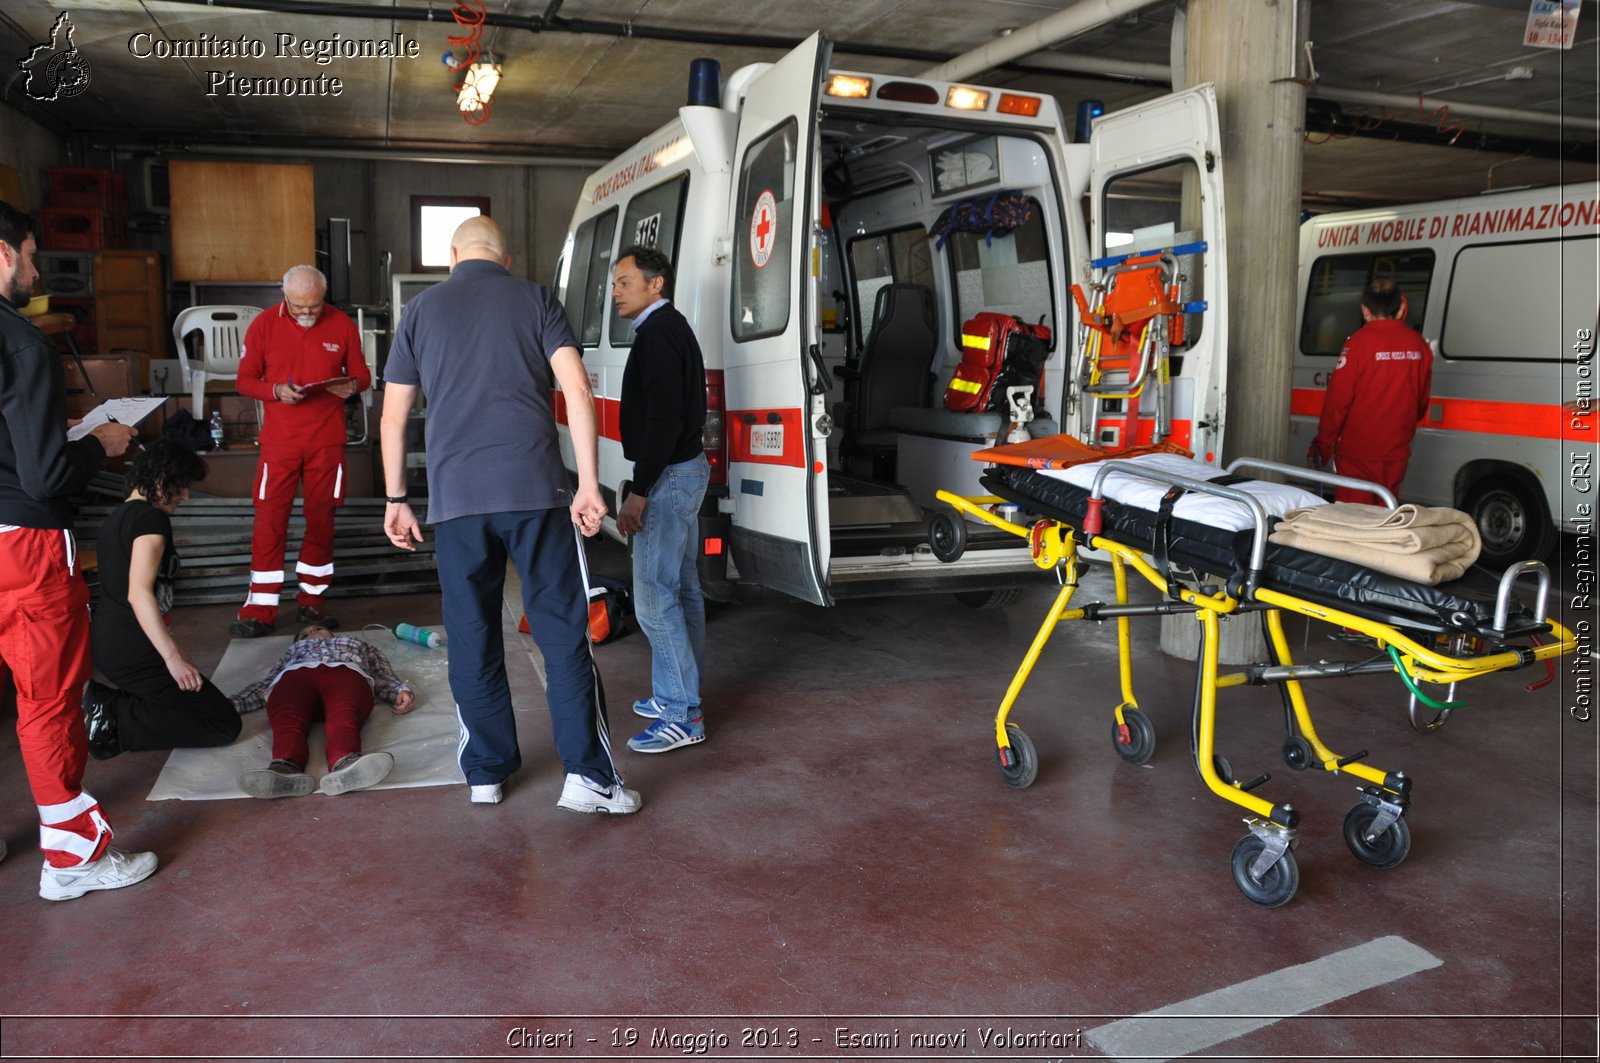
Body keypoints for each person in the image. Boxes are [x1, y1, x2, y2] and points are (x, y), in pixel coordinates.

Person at [379, 215, 639, 815]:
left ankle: (486, 774)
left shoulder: (421, 311)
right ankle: (588, 780)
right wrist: (591, 485)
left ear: (453, 256)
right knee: (561, 633)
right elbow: (577, 390)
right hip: (536, 495)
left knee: (471, 637)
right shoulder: (535, 299)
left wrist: (397, 500)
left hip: (455, 503)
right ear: (506, 255)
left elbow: (394, 417)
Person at [0, 200, 152, 901]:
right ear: (3, 253)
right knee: (48, 696)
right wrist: (98, 442)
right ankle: (73, 861)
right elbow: (46, 475)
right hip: (23, 542)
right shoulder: (20, 342)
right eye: (29, 256)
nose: (34, 270)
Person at [229, 265, 371, 637]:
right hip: (279, 444)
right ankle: (260, 608)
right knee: (269, 520)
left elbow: (363, 374)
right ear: (284, 294)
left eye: (314, 306)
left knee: (321, 520)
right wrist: (275, 391)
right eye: (298, 307)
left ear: (323, 296)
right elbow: (244, 380)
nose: (307, 313)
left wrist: (351, 385)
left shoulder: (341, 325)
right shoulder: (263, 325)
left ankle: (313, 601)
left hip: (327, 442)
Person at [83, 440, 242, 759]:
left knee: (195, 700)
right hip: (131, 646)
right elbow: (139, 594)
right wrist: (171, 658)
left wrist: (177, 652)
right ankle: (114, 714)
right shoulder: (150, 520)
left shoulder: (115, 519)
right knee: (223, 724)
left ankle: (113, 706)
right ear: (159, 478)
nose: (185, 495)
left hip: (113, 641)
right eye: (180, 486)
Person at [611, 245, 709, 754]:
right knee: (682, 588)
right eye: (614, 283)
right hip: (684, 470)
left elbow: (663, 420)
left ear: (657, 284)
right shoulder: (667, 328)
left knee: (652, 596)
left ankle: (681, 713)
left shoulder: (658, 336)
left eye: (625, 282)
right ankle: (680, 692)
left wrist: (639, 491)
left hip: (668, 477)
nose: (615, 292)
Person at [231, 624, 415, 799]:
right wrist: (235, 704)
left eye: (318, 628)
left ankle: (345, 763)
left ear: (332, 634)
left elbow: (380, 672)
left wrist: (398, 690)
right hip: (296, 676)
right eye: (305, 634)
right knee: (287, 717)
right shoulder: (293, 652)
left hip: (345, 672)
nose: (312, 632)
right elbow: (267, 682)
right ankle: (284, 768)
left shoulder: (356, 644)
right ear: (298, 642)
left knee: (344, 714)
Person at [1309, 279, 1433, 505]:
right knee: (1386, 518)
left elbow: (1338, 401)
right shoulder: (1419, 346)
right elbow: (1422, 403)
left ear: (1365, 310)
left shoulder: (1357, 344)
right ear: (1401, 308)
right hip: (1396, 453)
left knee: (1355, 521)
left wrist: (1323, 446)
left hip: (1358, 455)